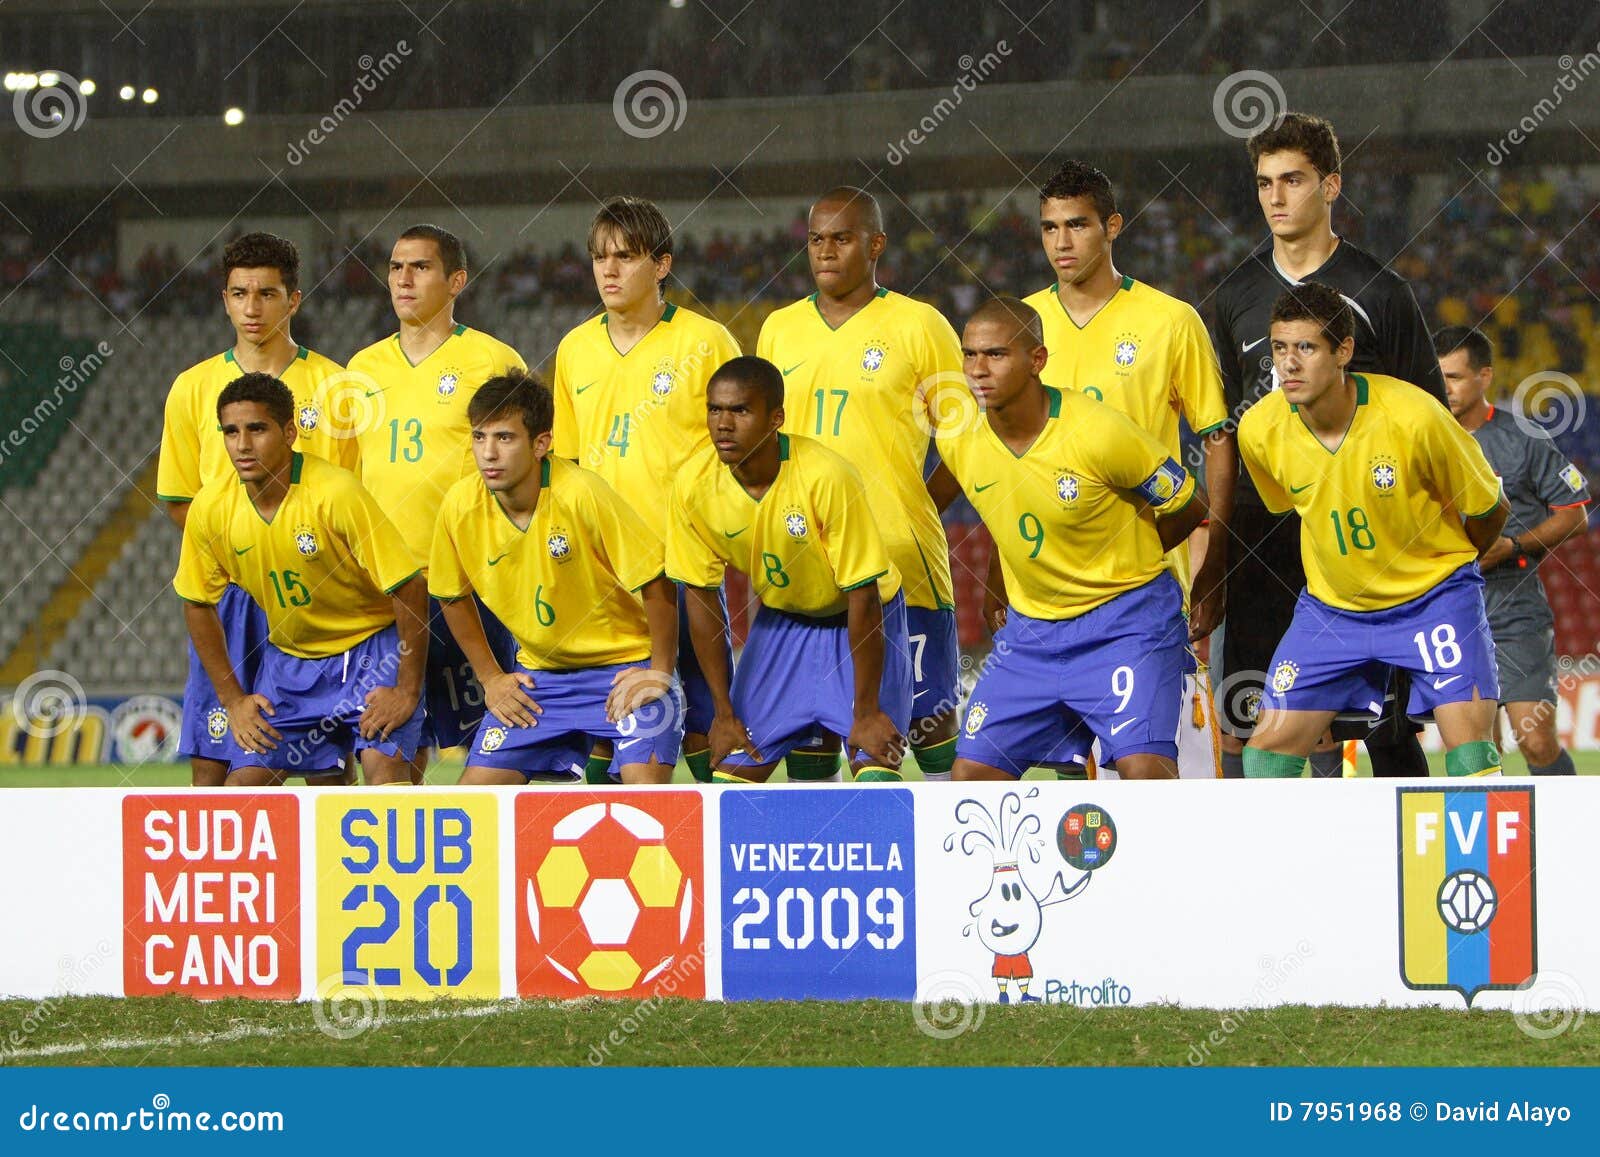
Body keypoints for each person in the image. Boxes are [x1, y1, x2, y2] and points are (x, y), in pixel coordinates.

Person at [1211, 112, 1447, 779]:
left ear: (1331, 185)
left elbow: (1430, 423)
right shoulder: (1233, 297)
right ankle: (1284, 878)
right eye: (1264, 183)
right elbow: (1221, 433)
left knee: (1387, 729)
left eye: (1294, 180)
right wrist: (1217, 542)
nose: (1277, 198)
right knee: (1259, 728)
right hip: (1264, 543)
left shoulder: (1383, 293)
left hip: (1367, 544)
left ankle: (1411, 869)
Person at [1019, 159, 1233, 779]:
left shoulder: (1170, 320)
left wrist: (1214, 557)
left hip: (1145, 579)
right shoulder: (1021, 324)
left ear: (1112, 226)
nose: (1061, 242)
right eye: (1049, 227)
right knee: (1069, 783)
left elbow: (1217, 438)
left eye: (1078, 225)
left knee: (1159, 767)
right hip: (1047, 584)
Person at [1238, 286, 1508, 778]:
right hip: (1333, 612)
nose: (1289, 364)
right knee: (1264, 756)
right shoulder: (1258, 429)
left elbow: (1491, 506)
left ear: (1343, 351)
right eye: (1279, 348)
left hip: (1433, 600)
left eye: (1306, 348)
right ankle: (1292, 857)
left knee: (1470, 751)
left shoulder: (1415, 416)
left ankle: (1476, 859)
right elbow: (1290, 506)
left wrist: (1459, 563)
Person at [943, 299, 1208, 782]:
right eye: (969, 355)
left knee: (1145, 771)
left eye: (996, 355)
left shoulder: (1099, 432)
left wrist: (1126, 557)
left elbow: (1191, 503)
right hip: (1032, 634)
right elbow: (1011, 513)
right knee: (970, 777)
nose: (978, 370)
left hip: (1126, 622)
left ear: (1037, 360)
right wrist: (999, 588)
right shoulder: (958, 438)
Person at [756, 187, 964, 783]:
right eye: (816, 239)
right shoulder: (778, 331)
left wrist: (917, 506)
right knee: (813, 736)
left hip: (904, 563)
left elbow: (970, 447)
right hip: (810, 572)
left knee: (927, 728)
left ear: (875, 245)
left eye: (842, 238)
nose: (825, 251)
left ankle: (957, 854)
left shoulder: (921, 326)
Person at [156, 232, 358, 786]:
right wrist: (246, 559)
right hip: (235, 596)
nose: (252, 308)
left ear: (294, 300)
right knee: (214, 761)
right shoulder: (191, 388)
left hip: (317, 595)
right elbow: (180, 501)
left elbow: (355, 499)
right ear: (224, 298)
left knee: (327, 762)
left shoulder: (336, 386)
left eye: (267, 294)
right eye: (240, 293)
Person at [551, 196, 740, 784]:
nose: (608, 271)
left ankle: (709, 851)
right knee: (614, 726)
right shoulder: (574, 349)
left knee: (710, 730)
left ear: (661, 265)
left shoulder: (706, 342)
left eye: (625, 257)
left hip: (686, 567)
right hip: (607, 574)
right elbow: (568, 465)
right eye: (599, 257)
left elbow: (738, 451)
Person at [173, 374, 428, 787]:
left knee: (387, 788)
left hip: (369, 653)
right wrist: (233, 700)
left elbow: (410, 586)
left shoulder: (336, 493)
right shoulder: (211, 508)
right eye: (231, 431)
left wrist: (406, 689)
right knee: (241, 791)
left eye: (257, 429)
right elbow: (196, 602)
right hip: (288, 663)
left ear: (289, 432)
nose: (242, 444)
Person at [668, 356, 912, 784]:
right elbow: (701, 599)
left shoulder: (826, 476)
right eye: (714, 409)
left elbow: (864, 596)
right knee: (732, 778)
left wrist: (868, 710)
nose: (723, 424)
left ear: (775, 418)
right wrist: (723, 713)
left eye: (740, 411)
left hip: (859, 622)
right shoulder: (692, 485)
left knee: (876, 768)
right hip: (780, 624)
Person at [432, 371, 683, 785]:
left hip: (622, 668)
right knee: (471, 805)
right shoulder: (459, 505)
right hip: (539, 678)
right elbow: (450, 594)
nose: (488, 453)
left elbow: (656, 579)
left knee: (647, 795)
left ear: (541, 443)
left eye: (505, 438)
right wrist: (491, 678)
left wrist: (659, 669)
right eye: (479, 437)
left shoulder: (584, 493)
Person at [348, 224, 526, 781]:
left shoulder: (494, 361)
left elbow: (531, 476)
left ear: (456, 281)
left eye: (420, 267)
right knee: (386, 755)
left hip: (475, 585)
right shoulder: (359, 371)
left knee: (503, 742)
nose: (403, 278)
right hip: (389, 592)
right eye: (397, 266)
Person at [1437, 326, 1589, 775]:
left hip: (1513, 603)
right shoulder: (1420, 435)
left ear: (1485, 376)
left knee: (1536, 740)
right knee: (1479, 750)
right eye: (1437, 375)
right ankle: (1493, 845)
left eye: (1455, 376)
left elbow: (1574, 515)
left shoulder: (1523, 436)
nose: (1443, 387)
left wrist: (1514, 546)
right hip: (1447, 610)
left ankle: (1569, 835)